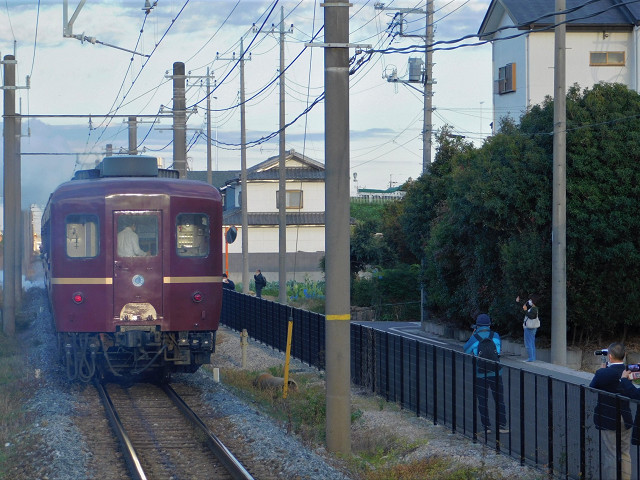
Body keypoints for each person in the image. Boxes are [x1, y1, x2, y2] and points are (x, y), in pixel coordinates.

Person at [590, 343, 633, 480]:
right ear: (624, 355)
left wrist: (602, 369)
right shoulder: (628, 371)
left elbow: (592, 387)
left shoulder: (603, 373)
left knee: (611, 453)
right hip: (625, 416)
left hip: (608, 417)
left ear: (609, 356)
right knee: (625, 452)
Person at [463, 313, 508, 434]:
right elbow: (498, 352)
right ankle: (502, 425)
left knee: (483, 400)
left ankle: (486, 426)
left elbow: (466, 350)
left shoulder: (475, 337)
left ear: (477, 326)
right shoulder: (496, 335)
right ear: (489, 325)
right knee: (499, 399)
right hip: (496, 372)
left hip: (480, 373)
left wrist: (473, 335)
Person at [516, 294, 540, 362]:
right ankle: (532, 357)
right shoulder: (533, 308)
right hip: (532, 327)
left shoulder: (534, 309)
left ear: (533, 301)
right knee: (531, 342)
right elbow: (525, 305)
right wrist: (519, 301)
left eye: (531, 300)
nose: (529, 301)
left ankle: (531, 358)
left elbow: (531, 316)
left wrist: (525, 310)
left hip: (529, 327)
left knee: (529, 343)